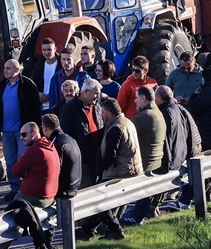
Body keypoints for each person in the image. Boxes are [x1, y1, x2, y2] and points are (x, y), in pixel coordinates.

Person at [78, 98, 139, 240]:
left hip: (118, 171)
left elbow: (110, 155)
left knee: (102, 203)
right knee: (105, 204)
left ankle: (116, 230)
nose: (102, 115)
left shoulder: (115, 128)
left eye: (103, 112)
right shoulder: (126, 122)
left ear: (110, 113)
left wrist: (100, 172)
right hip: (128, 169)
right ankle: (88, 230)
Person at [0, 59, 42, 202]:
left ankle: (26, 189)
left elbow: (35, 108)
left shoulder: (27, 85)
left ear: (17, 70)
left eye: (8, 68)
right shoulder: (2, 85)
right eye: (4, 68)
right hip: (7, 130)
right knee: (10, 161)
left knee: (23, 160)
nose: (5, 71)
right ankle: (14, 189)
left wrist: (36, 129)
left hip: (24, 131)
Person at [119, 85, 166, 226]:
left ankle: (134, 217)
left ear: (144, 98)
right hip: (156, 160)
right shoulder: (157, 112)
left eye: (136, 98)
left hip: (145, 162)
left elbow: (124, 135)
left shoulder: (143, 117)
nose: (134, 102)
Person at [154, 86, 202, 211]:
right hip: (191, 144)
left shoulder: (167, 112)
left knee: (183, 175)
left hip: (189, 146)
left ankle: (183, 201)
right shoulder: (177, 107)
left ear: (159, 98)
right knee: (187, 175)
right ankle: (183, 200)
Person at [58, 78, 104, 187]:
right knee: (85, 192)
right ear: (86, 92)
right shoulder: (69, 109)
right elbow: (65, 136)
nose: (98, 96)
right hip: (81, 160)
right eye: (96, 93)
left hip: (96, 157)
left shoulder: (97, 107)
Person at [12, 121, 60, 207]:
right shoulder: (50, 146)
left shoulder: (35, 150)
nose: (21, 138)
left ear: (34, 133)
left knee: (9, 214)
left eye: (24, 135)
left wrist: (26, 173)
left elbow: (15, 171)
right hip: (50, 197)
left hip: (36, 198)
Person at [42, 114, 82, 200]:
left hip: (64, 190)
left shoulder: (56, 143)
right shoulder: (70, 139)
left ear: (45, 128)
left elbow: (55, 169)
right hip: (75, 185)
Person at [26, 38, 61, 113]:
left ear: (55, 49)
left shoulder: (61, 64)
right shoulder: (39, 65)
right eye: (44, 50)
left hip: (57, 105)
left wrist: (50, 96)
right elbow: (33, 82)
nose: (46, 52)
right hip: (42, 106)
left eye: (49, 49)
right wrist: (37, 94)